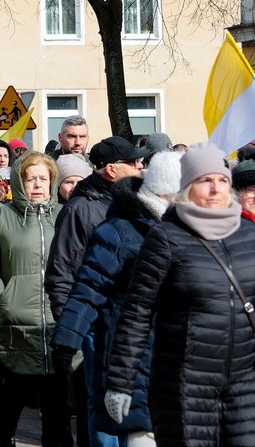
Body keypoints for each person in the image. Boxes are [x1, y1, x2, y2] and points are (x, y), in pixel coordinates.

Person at [105, 143, 255, 444]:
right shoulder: (166, 237)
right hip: (184, 385)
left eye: (222, 180)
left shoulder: (248, 234)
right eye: (205, 180)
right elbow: (137, 312)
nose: (215, 189)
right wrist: (120, 382)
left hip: (245, 383)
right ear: (187, 186)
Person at [51, 151, 181, 447]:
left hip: (175, 353)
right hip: (126, 348)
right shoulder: (120, 230)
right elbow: (89, 286)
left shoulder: (188, 231)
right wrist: (67, 340)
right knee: (127, 431)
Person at [46, 136, 147, 447]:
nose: (140, 166)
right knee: (103, 402)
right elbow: (62, 271)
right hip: (98, 325)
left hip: (131, 321)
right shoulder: (80, 209)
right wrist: (72, 328)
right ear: (112, 170)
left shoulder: (134, 204)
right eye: (133, 162)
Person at [0, 151, 72, 446]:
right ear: (19, 181)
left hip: (56, 322)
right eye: (31, 178)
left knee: (56, 399)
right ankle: (6, 437)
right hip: (14, 324)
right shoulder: (1, 217)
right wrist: (1, 297)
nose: (37, 185)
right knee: (14, 394)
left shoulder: (65, 215)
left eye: (43, 178)